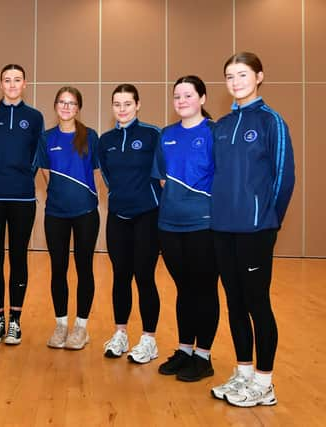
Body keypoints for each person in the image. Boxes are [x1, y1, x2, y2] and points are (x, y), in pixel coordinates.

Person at [210, 52, 295, 407]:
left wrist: (269, 220)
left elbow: (284, 177)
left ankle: (265, 382)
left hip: (256, 229)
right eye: (229, 76)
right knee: (234, 302)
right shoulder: (223, 125)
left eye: (242, 74)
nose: (235, 81)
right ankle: (243, 372)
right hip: (223, 227)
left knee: (257, 302)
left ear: (259, 76)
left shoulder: (271, 121)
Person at [152, 76, 219, 381]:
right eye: (177, 96)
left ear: (202, 98)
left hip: (203, 225)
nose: (181, 101)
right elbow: (163, 180)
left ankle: (203, 356)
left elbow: (222, 180)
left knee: (204, 289)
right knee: (184, 289)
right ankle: (184, 349)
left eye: (188, 95)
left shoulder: (214, 133)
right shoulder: (166, 135)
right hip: (169, 225)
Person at [0, 64, 44, 345]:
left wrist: (23, 176)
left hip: (22, 197)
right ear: (0, 84)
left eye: (17, 80)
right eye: (7, 80)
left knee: (18, 257)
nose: (12, 84)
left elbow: (38, 154)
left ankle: (15, 320)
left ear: (25, 84)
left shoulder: (35, 117)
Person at [98, 84, 162, 364]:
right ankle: (120, 333)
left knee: (144, 277)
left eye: (127, 103)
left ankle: (149, 339)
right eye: (117, 104)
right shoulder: (105, 140)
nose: (122, 109)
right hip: (118, 216)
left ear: (138, 105)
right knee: (120, 276)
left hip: (148, 215)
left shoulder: (152, 135)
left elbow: (162, 173)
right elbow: (108, 176)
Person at [37, 86, 99, 350]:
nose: (66, 107)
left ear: (78, 108)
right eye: (62, 102)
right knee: (58, 269)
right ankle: (61, 324)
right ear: (55, 106)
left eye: (72, 103)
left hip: (85, 213)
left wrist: (82, 194)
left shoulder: (90, 136)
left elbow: (95, 172)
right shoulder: (46, 137)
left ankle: (81, 328)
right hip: (56, 213)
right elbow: (44, 171)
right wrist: (61, 193)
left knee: (84, 268)